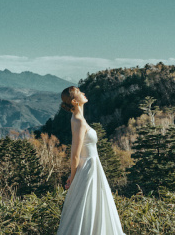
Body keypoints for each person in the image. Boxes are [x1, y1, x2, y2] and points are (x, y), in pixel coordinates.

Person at [57, 86, 125, 235]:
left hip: (92, 167)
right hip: (88, 168)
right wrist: (73, 177)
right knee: (90, 206)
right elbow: (75, 154)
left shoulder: (79, 119)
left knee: (92, 205)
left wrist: (72, 175)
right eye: (80, 93)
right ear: (75, 101)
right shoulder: (79, 122)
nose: (84, 93)